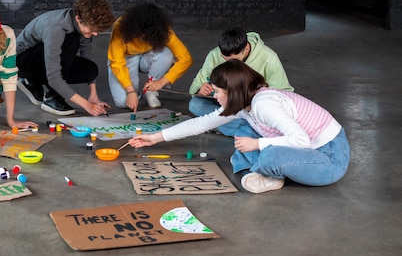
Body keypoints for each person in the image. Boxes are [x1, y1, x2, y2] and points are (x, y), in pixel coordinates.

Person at [129, 60, 350, 194]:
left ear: (233, 93)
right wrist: (156, 137)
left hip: (328, 157)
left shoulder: (264, 105)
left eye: (218, 92)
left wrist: (257, 144)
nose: (214, 96)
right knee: (243, 131)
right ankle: (262, 172)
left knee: (269, 155)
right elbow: (202, 122)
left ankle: (267, 172)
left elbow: (302, 141)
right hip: (300, 148)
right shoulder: (243, 102)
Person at [15, 0, 115, 116]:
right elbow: (54, 77)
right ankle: (52, 98)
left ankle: (31, 82)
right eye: (91, 29)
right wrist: (86, 105)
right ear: (78, 18)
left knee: (90, 69)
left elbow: (87, 56)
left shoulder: (81, 24)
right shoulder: (57, 27)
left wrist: (93, 95)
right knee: (71, 41)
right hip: (22, 61)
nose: (95, 33)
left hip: (42, 60)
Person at [188, 27, 293, 136]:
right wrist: (200, 91)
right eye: (224, 59)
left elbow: (284, 92)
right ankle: (246, 129)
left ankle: (232, 127)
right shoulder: (214, 55)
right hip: (224, 104)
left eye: (234, 60)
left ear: (246, 48)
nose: (229, 64)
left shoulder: (268, 57)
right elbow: (196, 85)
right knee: (196, 105)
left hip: (252, 107)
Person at [107, 2, 193, 112]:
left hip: (148, 55)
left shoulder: (162, 29)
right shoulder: (120, 27)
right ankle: (135, 94)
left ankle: (151, 89)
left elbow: (186, 58)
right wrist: (130, 91)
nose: (143, 38)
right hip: (125, 58)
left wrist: (161, 82)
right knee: (123, 102)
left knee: (166, 54)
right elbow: (116, 62)